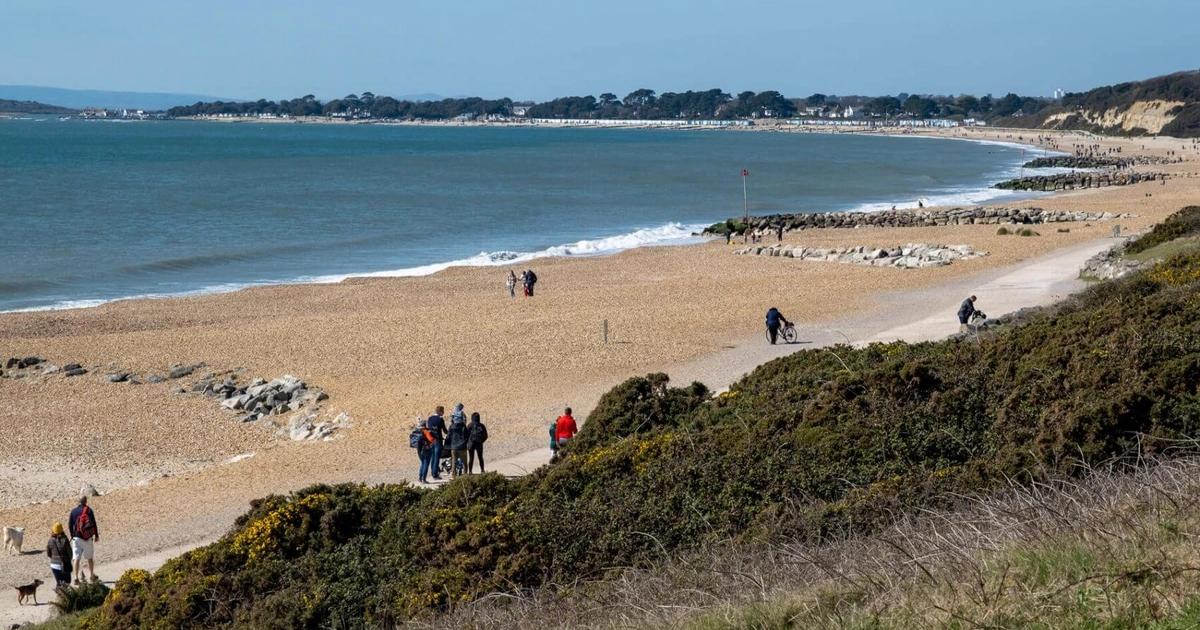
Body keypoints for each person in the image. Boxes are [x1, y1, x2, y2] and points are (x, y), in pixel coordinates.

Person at [68, 496, 99, 584]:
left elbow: (70, 525)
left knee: (76, 558)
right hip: (87, 537)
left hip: (77, 537)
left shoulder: (73, 511)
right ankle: (92, 575)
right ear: (85, 501)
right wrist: (96, 535)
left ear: (78, 502)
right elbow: (94, 523)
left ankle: (76, 577)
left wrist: (72, 535)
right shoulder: (89, 510)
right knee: (89, 558)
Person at [46, 522, 72, 591]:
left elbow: (48, 553)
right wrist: (68, 559)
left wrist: (54, 558)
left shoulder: (50, 540)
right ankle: (62, 597)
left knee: (59, 583)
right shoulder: (65, 539)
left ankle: (60, 595)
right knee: (67, 582)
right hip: (65, 564)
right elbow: (70, 553)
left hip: (54, 565)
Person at [446, 411, 469, 479]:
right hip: (462, 447)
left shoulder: (451, 426)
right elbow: (467, 436)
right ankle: (465, 476)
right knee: (464, 463)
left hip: (454, 447)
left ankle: (454, 477)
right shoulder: (463, 426)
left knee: (454, 463)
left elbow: (448, 436)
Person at [426, 406, 447, 480]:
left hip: (431, 440)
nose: (443, 413)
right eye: (443, 411)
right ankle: (435, 474)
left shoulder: (430, 418)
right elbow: (445, 431)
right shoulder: (440, 419)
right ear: (440, 412)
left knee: (433, 457)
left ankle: (433, 472)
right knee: (437, 458)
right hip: (438, 440)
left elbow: (429, 429)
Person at [414, 419, 435, 484]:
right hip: (426, 450)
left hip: (419, 450)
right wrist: (434, 442)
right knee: (426, 464)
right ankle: (424, 479)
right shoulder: (425, 431)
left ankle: (420, 478)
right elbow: (431, 439)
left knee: (422, 464)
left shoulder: (417, 431)